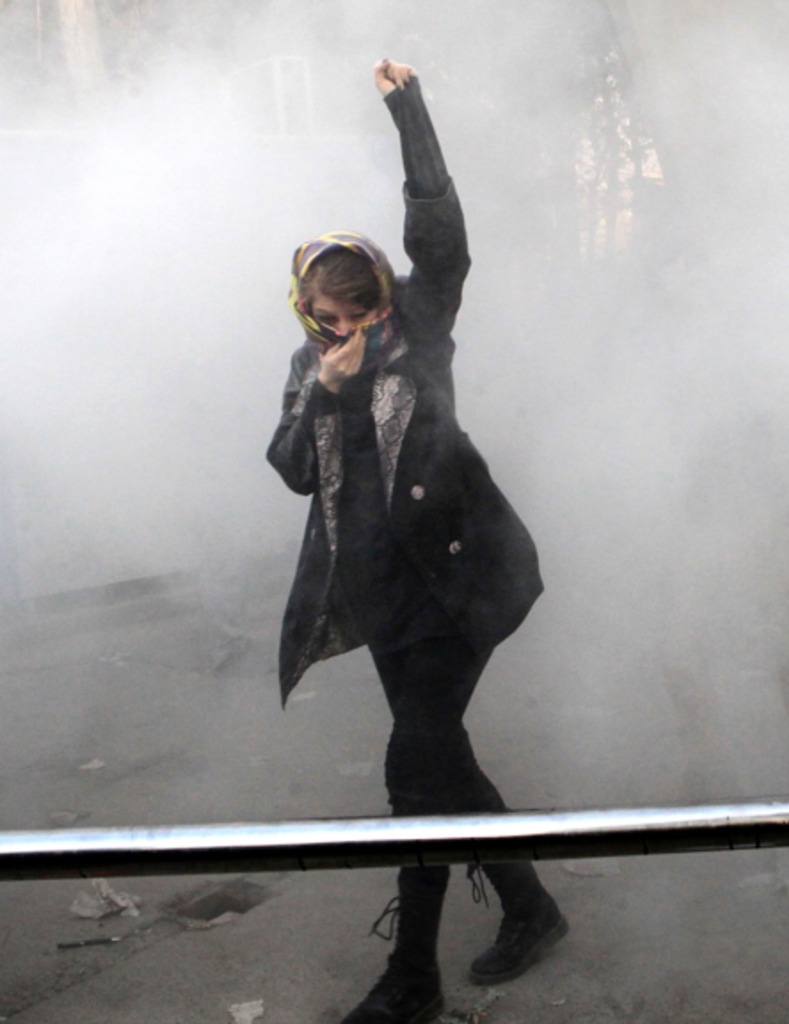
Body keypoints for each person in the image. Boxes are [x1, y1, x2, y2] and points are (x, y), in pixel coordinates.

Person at [267, 60, 567, 1024]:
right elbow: (291, 468)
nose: (344, 333)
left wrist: (410, 109)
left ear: (384, 304)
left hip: (459, 592)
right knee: (446, 764)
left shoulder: (421, 330)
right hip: (382, 602)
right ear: (309, 309)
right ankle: (531, 908)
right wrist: (327, 389)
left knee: (414, 774)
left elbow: (442, 244)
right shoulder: (307, 367)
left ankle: (413, 980)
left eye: (360, 316)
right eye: (328, 319)